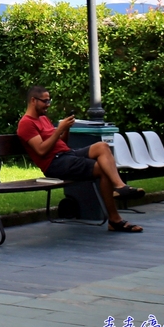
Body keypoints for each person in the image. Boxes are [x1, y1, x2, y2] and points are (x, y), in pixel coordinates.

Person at [16, 85, 145, 233]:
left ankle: (120, 187)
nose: (48, 105)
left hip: (66, 154)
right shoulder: (26, 123)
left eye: (49, 101)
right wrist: (59, 129)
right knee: (103, 168)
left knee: (102, 146)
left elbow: (62, 144)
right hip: (54, 163)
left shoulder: (44, 119)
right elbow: (41, 150)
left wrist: (66, 129)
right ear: (33, 100)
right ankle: (115, 218)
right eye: (45, 101)